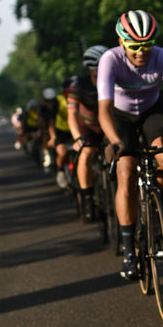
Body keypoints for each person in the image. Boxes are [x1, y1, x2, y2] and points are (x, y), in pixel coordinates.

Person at [97, 10, 163, 280]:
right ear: (121, 43)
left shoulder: (162, 57)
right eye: (135, 46)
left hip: (152, 111)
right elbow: (104, 110)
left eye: (147, 45)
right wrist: (116, 142)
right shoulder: (110, 60)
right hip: (120, 117)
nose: (142, 52)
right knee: (126, 170)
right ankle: (129, 248)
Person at [66, 44, 108, 222]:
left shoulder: (116, 80)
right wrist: (77, 137)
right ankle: (88, 198)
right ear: (91, 69)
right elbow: (72, 114)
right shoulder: (78, 85)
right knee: (87, 153)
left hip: (109, 126)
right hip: (87, 128)